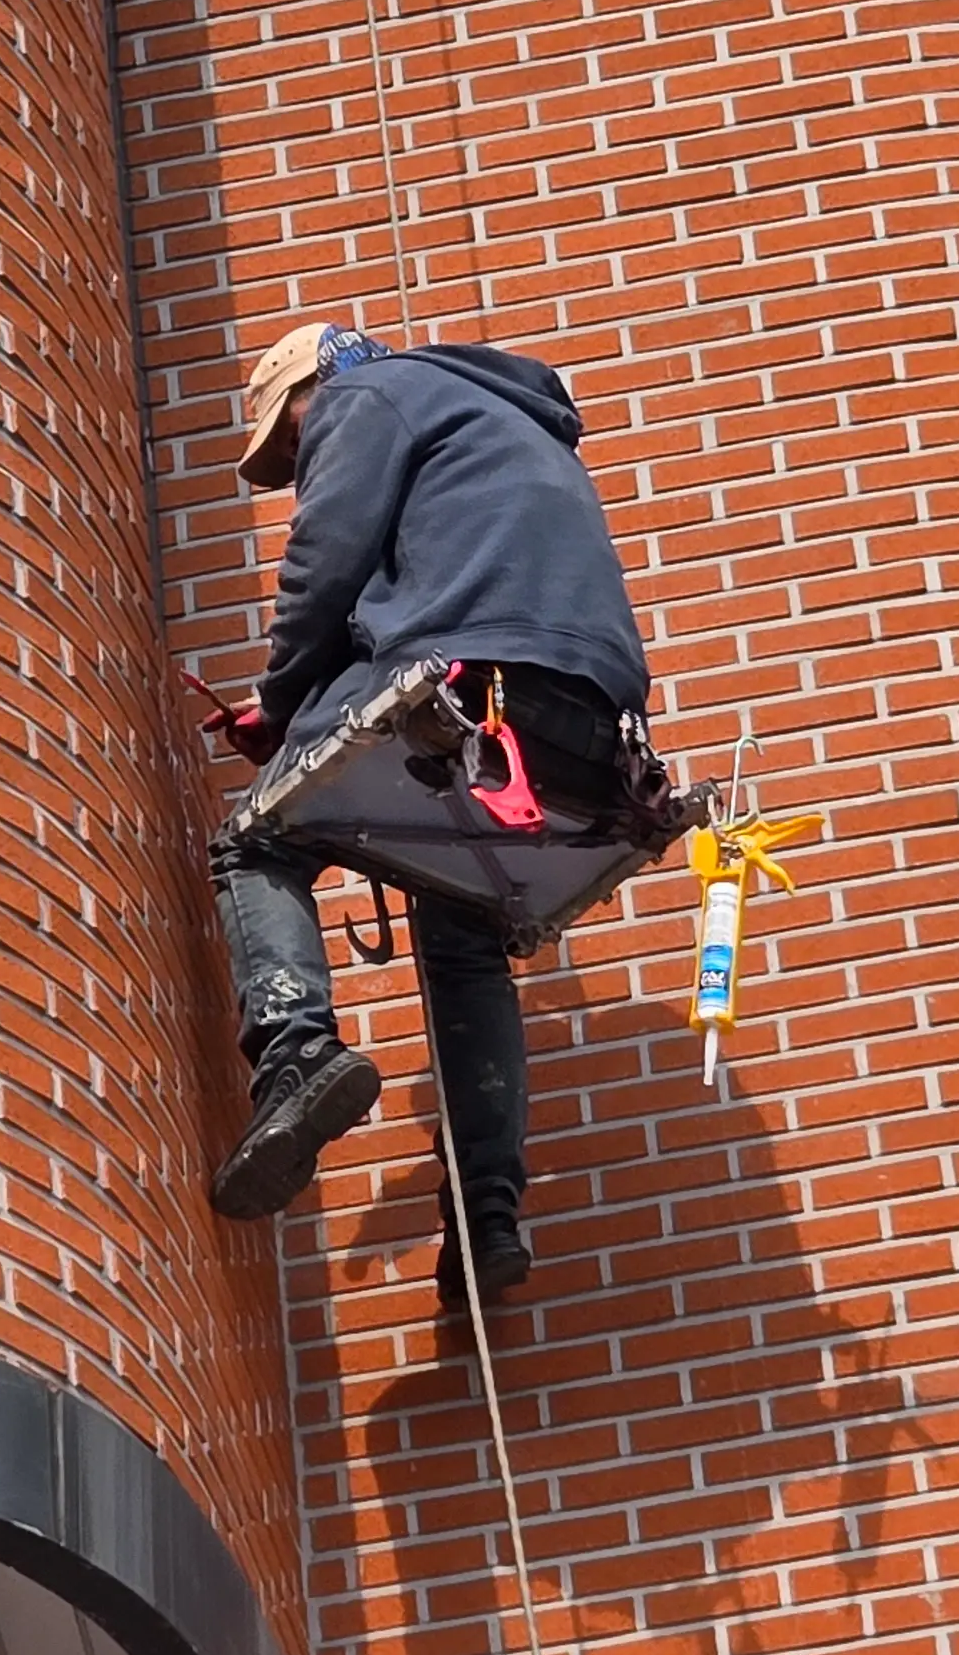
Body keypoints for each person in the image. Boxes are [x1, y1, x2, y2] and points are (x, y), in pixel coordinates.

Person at [200, 321, 657, 1301]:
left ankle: (297, 1056)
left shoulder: (366, 394)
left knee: (254, 844)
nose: (300, 464)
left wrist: (278, 709)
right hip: (589, 730)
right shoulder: (510, 424)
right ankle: (487, 1214)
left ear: (311, 391)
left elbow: (326, 561)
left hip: (470, 683)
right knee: (464, 938)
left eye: (293, 443)